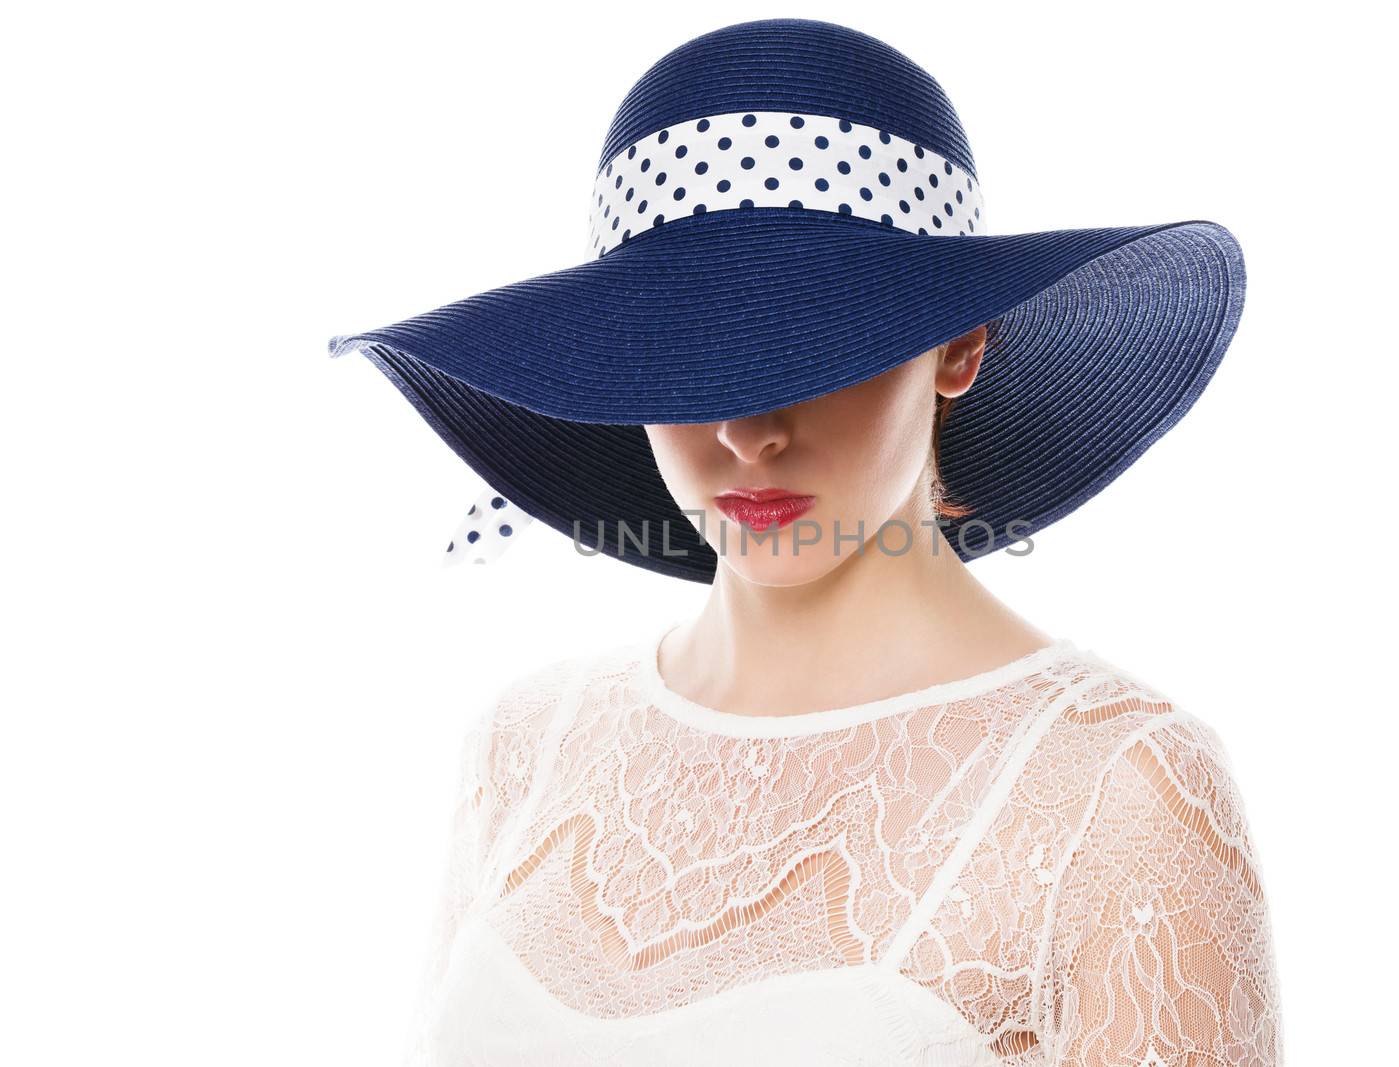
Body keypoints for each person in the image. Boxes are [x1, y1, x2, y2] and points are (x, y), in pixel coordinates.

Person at [327, 17, 1283, 1066]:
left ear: (958, 346)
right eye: (682, 354)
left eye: (814, 341)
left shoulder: (1116, 790)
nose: (745, 428)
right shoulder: (527, 745)